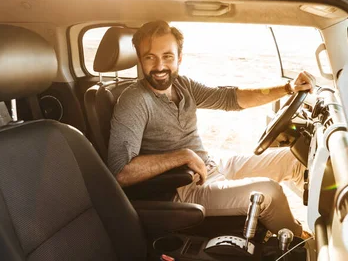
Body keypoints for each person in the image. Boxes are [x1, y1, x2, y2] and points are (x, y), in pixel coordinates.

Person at [108, 20, 316, 238]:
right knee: (270, 192)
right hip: (185, 187)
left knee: (295, 159)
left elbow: (229, 98)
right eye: (150, 57)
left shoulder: (182, 85)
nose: (159, 66)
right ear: (140, 59)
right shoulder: (134, 100)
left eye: (167, 56)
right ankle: (303, 245)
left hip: (211, 166)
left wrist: (288, 88)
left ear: (179, 58)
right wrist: (183, 156)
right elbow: (121, 172)